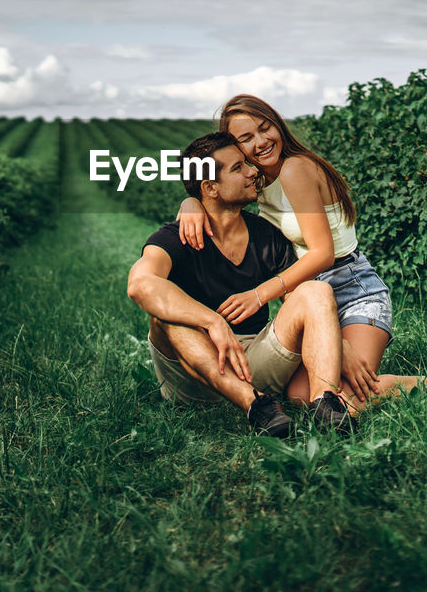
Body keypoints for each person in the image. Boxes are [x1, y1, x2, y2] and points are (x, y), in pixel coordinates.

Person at [176, 94, 427, 414]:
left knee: (344, 400)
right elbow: (221, 196)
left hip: (351, 289)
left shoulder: (295, 169)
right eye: (246, 138)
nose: (261, 141)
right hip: (308, 301)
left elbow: (321, 254)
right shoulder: (259, 183)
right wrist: (192, 202)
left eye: (265, 128)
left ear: (278, 125)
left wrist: (259, 294)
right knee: (302, 397)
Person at [127, 131, 354, 437]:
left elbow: (303, 304)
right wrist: (212, 321)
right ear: (210, 187)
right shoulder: (174, 237)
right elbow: (140, 284)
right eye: (238, 168)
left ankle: (325, 404)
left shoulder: (266, 235)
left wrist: (340, 346)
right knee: (164, 316)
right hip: (193, 376)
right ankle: (254, 405)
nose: (252, 171)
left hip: (255, 362)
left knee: (316, 290)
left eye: (247, 164)